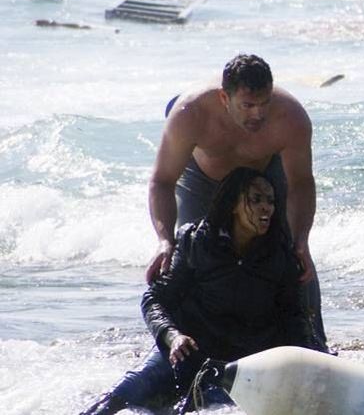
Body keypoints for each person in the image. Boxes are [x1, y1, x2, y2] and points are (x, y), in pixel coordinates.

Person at [80, 168, 322, 415]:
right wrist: (172, 336)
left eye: (270, 201)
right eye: (256, 199)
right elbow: (154, 299)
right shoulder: (196, 242)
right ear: (233, 205)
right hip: (183, 353)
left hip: (236, 366)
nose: (266, 208)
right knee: (118, 399)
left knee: (202, 407)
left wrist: (315, 362)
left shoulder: (279, 256)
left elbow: (294, 318)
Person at [146, 54, 326, 348]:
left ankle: (313, 346)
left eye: (264, 103)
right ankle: (176, 347)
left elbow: (301, 183)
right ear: (223, 97)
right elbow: (162, 181)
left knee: (293, 258)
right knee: (185, 255)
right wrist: (164, 240)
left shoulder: (290, 117)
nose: (258, 114)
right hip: (203, 179)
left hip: (264, 173)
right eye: (247, 105)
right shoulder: (190, 113)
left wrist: (301, 239)